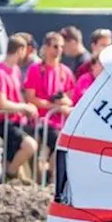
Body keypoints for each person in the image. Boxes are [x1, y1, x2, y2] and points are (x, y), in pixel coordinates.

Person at [0, 35, 40, 184]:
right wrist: (23, 107)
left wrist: (26, 108)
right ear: (20, 50)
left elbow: (18, 96)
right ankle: (7, 178)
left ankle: (10, 179)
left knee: (13, 157)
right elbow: (2, 103)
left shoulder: (15, 69)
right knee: (30, 146)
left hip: (15, 121)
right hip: (1, 122)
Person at [24, 31, 77, 161]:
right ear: (46, 47)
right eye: (55, 46)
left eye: (61, 47)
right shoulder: (35, 69)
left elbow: (71, 100)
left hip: (61, 123)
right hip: (42, 121)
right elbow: (30, 97)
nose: (59, 50)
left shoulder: (66, 72)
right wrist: (53, 106)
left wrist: (64, 101)